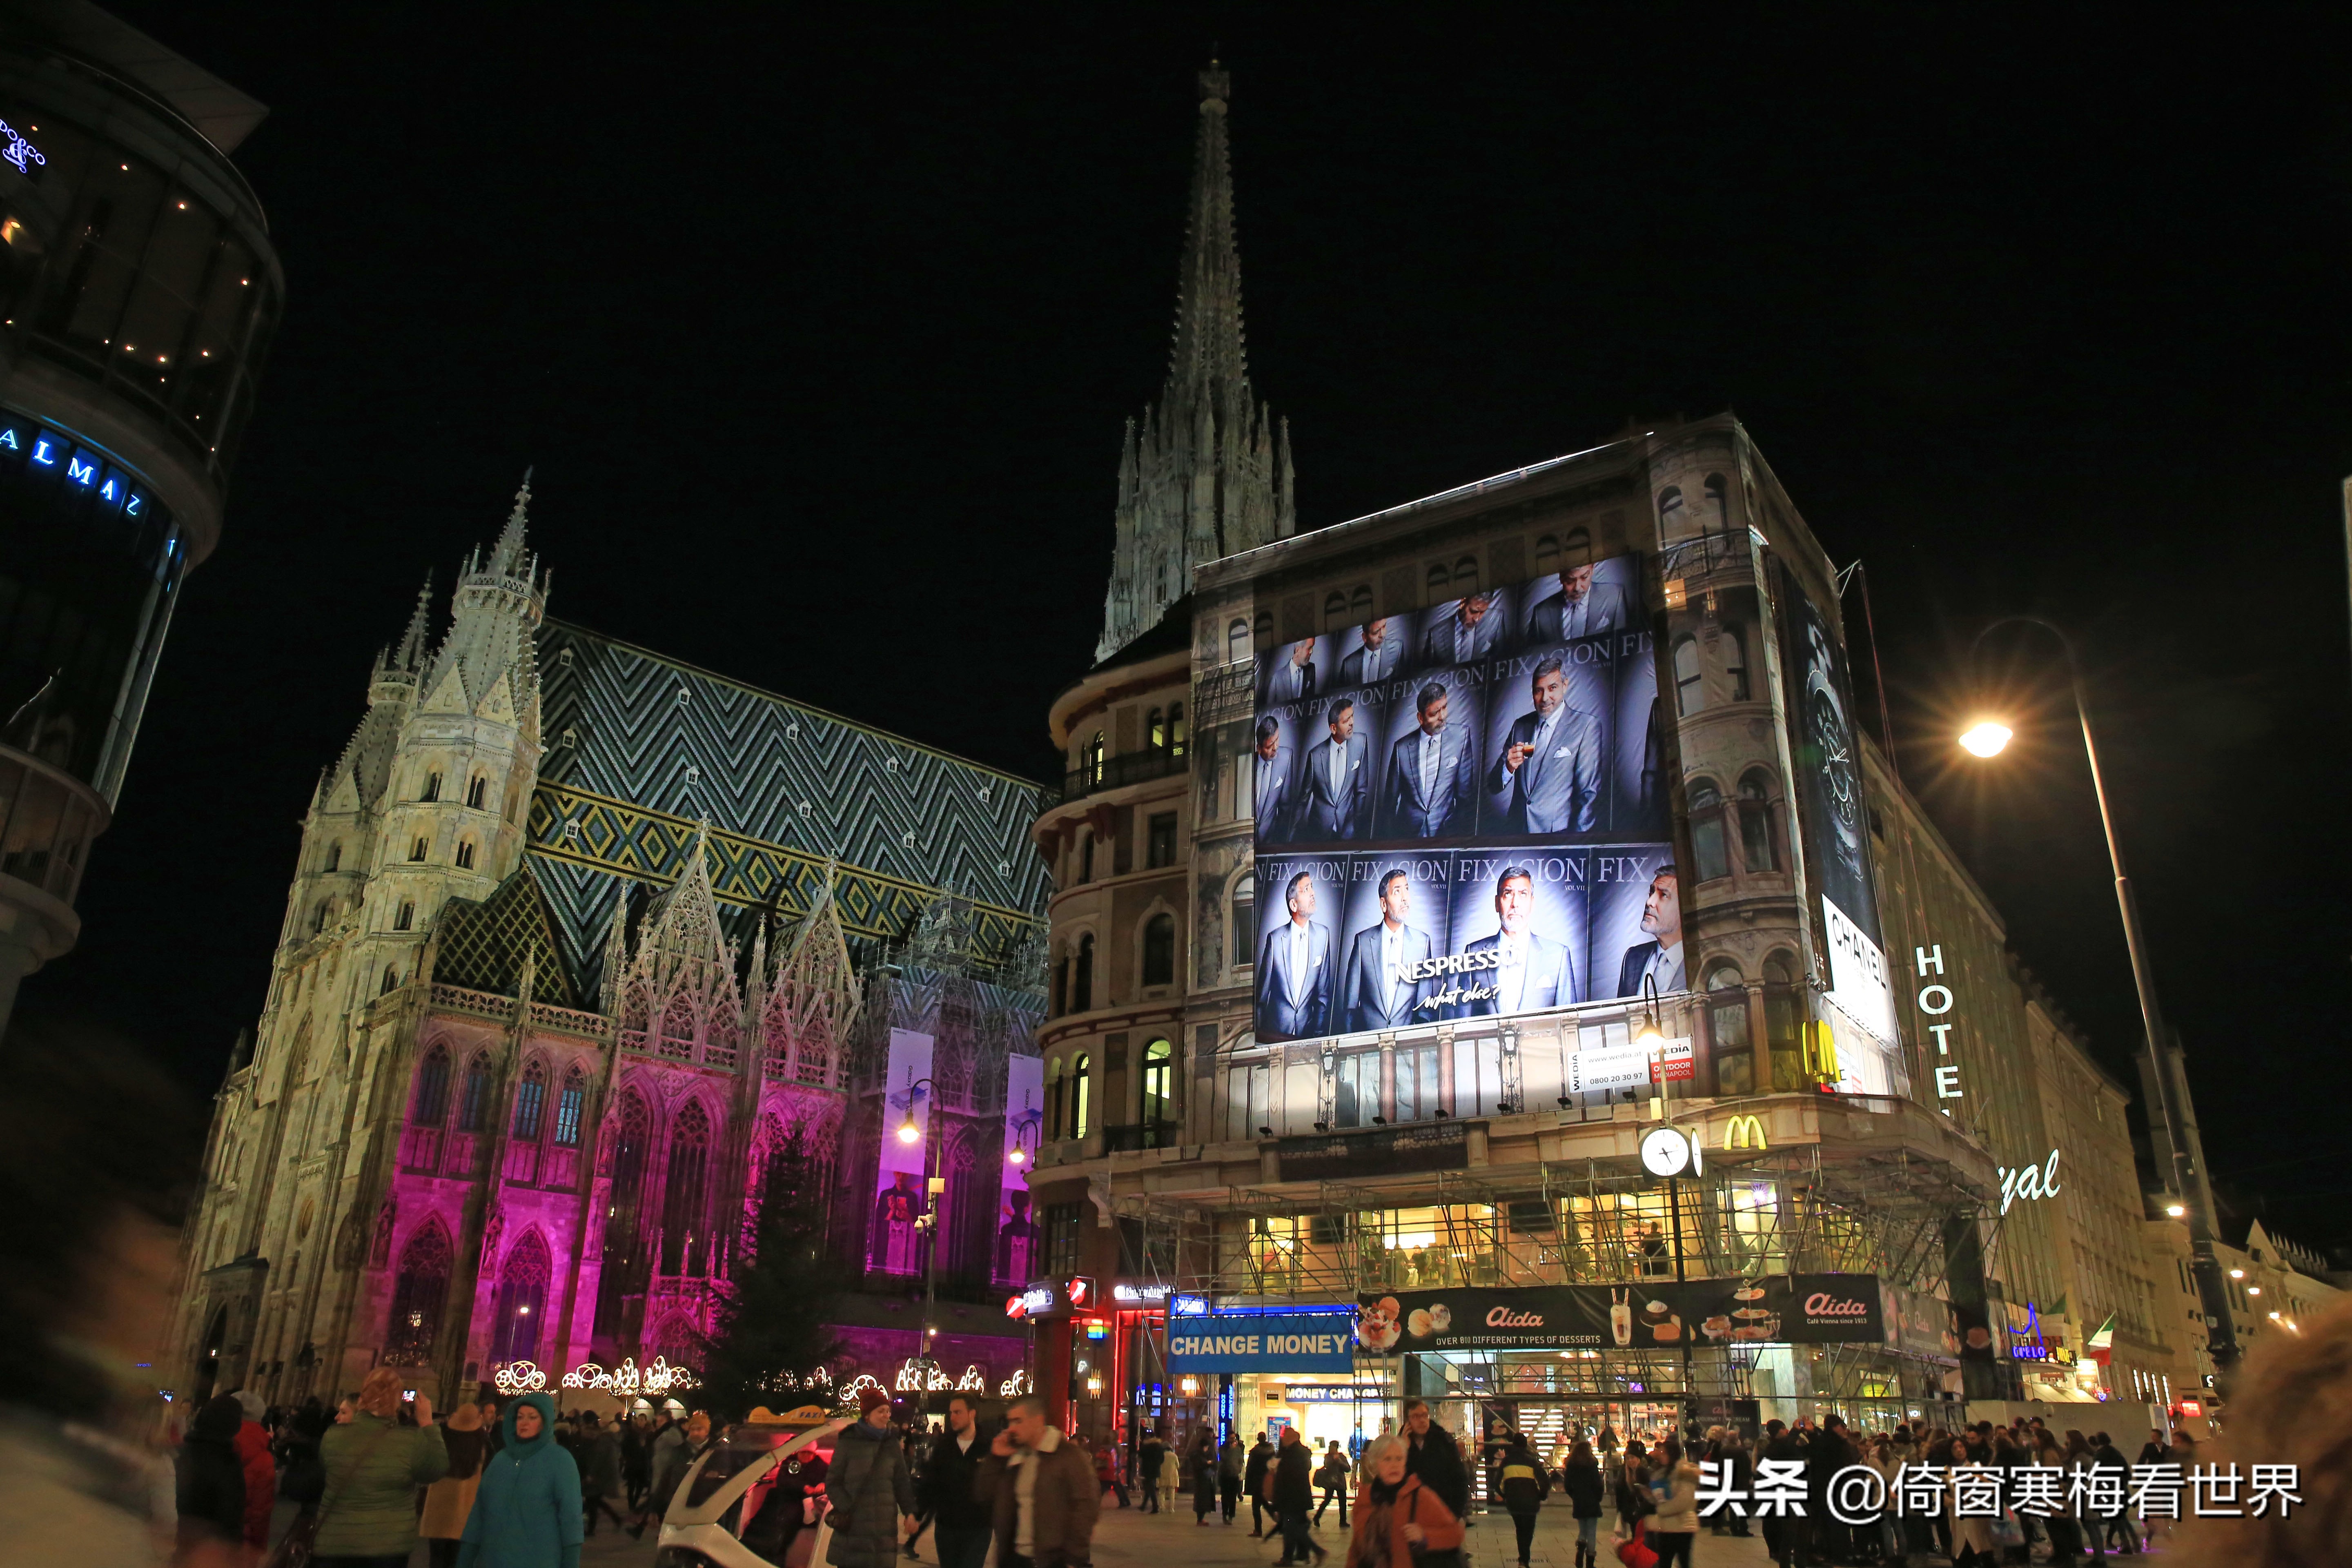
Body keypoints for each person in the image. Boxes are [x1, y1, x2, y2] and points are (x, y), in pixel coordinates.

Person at [312, 1368, 450, 1565]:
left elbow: (327, 1468)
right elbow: (437, 1469)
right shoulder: (409, 1441)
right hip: (387, 1546)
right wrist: (427, 1423)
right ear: (397, 1401)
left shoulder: (332, 1436)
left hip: (334, 1541)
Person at [455, 1391, 580, 1568]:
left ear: (544, 1421)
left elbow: (571, 1520)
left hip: (539, 1560)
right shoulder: (501, 1460)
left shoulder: (560, 1461)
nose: (524, 1423)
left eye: (532, 1417)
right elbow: (479, 1513)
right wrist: (465, 1559)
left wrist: (571, 1562)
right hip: (492, 1560)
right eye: (520, 1417)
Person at [975, 1393, 1099, 1568]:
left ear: (1038, 1421)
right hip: (1015, 1559)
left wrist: (1074, 1558)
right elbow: (985, 1496)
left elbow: (1086, 1507)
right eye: (1010, 1422)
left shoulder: (1068, 1456)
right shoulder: (1015, 1457)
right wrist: (995, 1459)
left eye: (1019, 1421)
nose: (1012, 1428)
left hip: (1052, 1561)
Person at [1484, 655, 1602, 834]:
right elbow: (1493, 786)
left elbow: (1589, 795)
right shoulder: (1520, 726)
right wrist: (1508, 768)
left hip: (1558, 839)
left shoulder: (1586, 726)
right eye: (1538, 691)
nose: (1545, 698)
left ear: (1565, 685)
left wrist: (1576, 846)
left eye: (1552, 688)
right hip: (1516, 835)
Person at [1460, 867, 1577, 1017]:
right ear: (1497, 903)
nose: (1515, 904)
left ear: (1532, 903)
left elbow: (1568, 1024)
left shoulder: (1558, 957)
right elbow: (1461, 1024)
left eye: (1523, 895)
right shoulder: (1473, 954)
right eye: (1508, 894)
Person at [829, 1388, 920, 1568]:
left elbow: (902, 1482)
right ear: (867, 1416)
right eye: (881, 1411)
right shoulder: (849, 1441)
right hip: (854, 1531)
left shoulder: (892, 1444)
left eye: (888, 1411)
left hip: (883, 1531)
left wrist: (910, 1512)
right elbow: (833, 1483)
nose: (886, 1415)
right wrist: (848, 1507)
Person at [1340, 869, 1435, 1033]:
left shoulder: (1423, 944)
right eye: (1397, 892)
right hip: (1367, 1051)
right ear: (1384, 904)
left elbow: (1424, 1010)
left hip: (1405, 1051)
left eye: (1407, 889)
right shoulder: (1363, 942)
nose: (1405, 898)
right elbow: (1351, 1008)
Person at [1346, 1434, 1462, 1568]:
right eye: (1387, 1459)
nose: (1394, 1465)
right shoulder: (1366, 1497)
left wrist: (1425, 1537)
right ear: (1375, 1463)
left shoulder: (1420, 1496)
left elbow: (1455, 1534)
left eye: (1399, 1459)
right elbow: (1356, 1549)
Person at [1381, 682, 1476, 838]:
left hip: (1446, 836)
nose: (1443, 717)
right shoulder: (1401, 748)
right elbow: (1389, 806)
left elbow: (1465, 799)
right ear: (1420, 718)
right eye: (1434, 713)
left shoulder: (1462, 737)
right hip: (1407, 838)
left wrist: (1458, 836)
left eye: (1444, 708)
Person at [1258, 871, 1333, 1039]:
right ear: (1294, 905)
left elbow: (1323, 997)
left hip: (1306, 1036)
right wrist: (1261, 1037)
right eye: (1306, 890)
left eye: (1312, 887)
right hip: (1275, 1035)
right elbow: (1261, 999)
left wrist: (1317, 1035)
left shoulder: (1323, 936)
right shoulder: (1275, 940)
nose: (1313, 893)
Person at [923, 1394, 994, 1568]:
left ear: (972, 1414)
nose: (953, 1417)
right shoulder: (944, 1447)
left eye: (958, 1412)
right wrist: (917, 1514)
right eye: (951, 1413)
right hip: (947, 1527)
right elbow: (931, 1483)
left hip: (978, 1528)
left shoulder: (987, 1446)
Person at [175, 1393, 249, 1560]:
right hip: (204, 1551)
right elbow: (231, 1517)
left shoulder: (181, 1451)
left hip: (173, 1541)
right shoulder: (228, 1464)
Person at [421, 1403, 489, 1568]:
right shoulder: (481, 1444)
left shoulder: (442, 1440)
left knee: (436, 1558)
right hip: (465, 1513)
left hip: (437, 1510)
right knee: (457, 1560)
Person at [1298, 696, 1370, 840]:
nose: (1352, 723)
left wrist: (1357, 827)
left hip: (1349, 833)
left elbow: (1361, 791)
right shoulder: (1315, 755)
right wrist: (1291, 836)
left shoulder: (1361, 743)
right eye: (1346, 721)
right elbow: (1303, 799)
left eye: (1352, 717)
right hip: (1318, 833)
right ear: (1333, 728)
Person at [1613, 867, 1686, 996]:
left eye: (1664, 895)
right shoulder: (1633, 957)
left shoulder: (1702, 960)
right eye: (1652, 892)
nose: (1650, 902)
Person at [1525, 559, 1637, 644]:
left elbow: (1624, 645)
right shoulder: (1541, 613)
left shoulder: (1615, 597)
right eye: (1570, 581)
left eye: (1584, 577)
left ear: (1592, 570)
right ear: (1561, 577)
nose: (1578, 588)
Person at [1400, 1401, 1470, 1519]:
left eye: (1425, 1415)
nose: (1422, 1420)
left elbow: (1459, 1478)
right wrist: (1403, 1450)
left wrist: (1456, 1514)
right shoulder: (1399, 1444)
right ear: (1408, 1421)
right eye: (1416, 1417)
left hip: (1442, 1512)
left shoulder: (1444, 1441)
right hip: (1411, 1516)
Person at [1271, 1426, 1327, 1565]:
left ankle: (1310, 1552)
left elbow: (1284, 1479)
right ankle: (1301, 1554)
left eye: (1285, 1438)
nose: (1282, 1440)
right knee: (1297, 1527)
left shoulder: (1289, 1454)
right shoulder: (1303, 1452)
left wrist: (1278, 1500)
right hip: (1301, 1497)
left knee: (1291, 1528)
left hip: (1291, 1499)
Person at [1496, 1430, 1550, 1568]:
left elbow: (1497, 1483)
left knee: (1520, 1530)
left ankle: (1523, 1560)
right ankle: (1524, 1560)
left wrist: (1506, 1496)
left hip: (1514, 1504)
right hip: (1531, 1503)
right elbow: (1544, 1482)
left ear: (1513, 1445)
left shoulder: (1506, 1462)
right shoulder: (1532, 1462)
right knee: (1528, 1531)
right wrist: (1541, 1496)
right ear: (1526, 1445)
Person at [1646, 1437, 1699, 1568]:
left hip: (1683, 1525)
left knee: (1683, 1562)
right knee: (1664, 1562)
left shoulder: (1685, 1472)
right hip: (1665, 1526)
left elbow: (1684, 1501)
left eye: (1664, 1453)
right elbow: (1661, 1498)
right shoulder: (1661, 1473)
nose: (1660, 1456)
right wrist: (1650, 1495)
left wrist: (1662, 1510)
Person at [1421, 591, 1501, 667]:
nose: (1477, 619)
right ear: (1462, 603)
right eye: (1473, 612)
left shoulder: (1496, 621)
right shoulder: (1435, 634)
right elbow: (1426, 674)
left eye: (1483, 612)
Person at [1560, 1438, 1604, 1568]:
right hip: (1592, 1501)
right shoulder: (1592, 1465)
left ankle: (1580, 1551)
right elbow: (1598, 1484)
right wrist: (1598, 1497)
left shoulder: (1571, 1466)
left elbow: (1568, 1485)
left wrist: (1574, 1496)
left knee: (1583, 1529)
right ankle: (1590, 1562)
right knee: (1592, 1531)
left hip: (1579, 1501)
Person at [1254, 718, 1295, 839]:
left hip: (1271, 842)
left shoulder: (1287, 759)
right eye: (1270, 745)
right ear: (1259, 748)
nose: (1276, 747)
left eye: (1277, 740)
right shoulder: (1249, 762)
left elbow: (1285, 810)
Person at [1341, 618, 1402, 686]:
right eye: (1377, 632)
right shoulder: (1348, 665)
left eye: (1384, 626)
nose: (1383, 635)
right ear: (1365, 637)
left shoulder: (1398, 649)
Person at [1314, 1440, 1352, 1528]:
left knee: (1343, 1502)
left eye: (1333, 1447)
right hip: (1330, 1482)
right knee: (1327, 1500)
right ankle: (1317, 1517)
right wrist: (1333, 1460)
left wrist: (1339, 1461)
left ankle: (1343, 1521)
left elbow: (1348, 1469)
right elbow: (1327, 1465)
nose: (1331, 1449)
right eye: (1330, 1447)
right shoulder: (1328, 1457)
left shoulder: (1342, 1457)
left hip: (1340, 1482)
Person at [1269, 639, 1318, 705]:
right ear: (1298, 651)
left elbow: (1312, 700)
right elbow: (1269, 709)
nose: (1311, 652)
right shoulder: (1277, 678)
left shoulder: (1311, 669)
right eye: (1309, 648)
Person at [1246, 1432, 1276, 1536]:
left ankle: (1258, 1530)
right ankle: (1276, 1517)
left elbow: (1250, 1468)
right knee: (1264, 1502)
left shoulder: (1255, 1452)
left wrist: (1248, 1485)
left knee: (1256, 1507)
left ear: (1258, 1439)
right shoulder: (1272, 1452)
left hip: (1257, 1482)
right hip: (1268, 1481)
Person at [1189, 1428, 1219, 1524]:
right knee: (1202, 1500)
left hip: (1204, 1480)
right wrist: (1208, 1463)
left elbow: (1213, 1463)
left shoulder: (1200, 1454)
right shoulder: (1198, 1454)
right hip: (1202, 1480)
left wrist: (1209, 1463)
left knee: (1203, 1499)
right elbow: (1201, 1464)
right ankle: (1200, 1519)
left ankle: (1201, 1519)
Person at [1135, 1427, 1167, 1515]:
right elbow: (1162, 1459)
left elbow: (1140, 1455)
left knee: (1150, 1488)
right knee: (1149, 1487)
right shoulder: (1159, 1446)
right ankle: (1144, 1506)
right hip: (1155, 1469)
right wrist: (1157, 1465)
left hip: (1147, 1470)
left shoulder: (1146, 1446)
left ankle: (1155, 1507)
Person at [1093, 1434, 1129, 1508]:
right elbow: (1115, 1460)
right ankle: (1124, 1501)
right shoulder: (1113, 1450)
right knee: (1117, 1488)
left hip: (1103, 1472)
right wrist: (1116, 1469)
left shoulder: (1101, 1450)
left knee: (1102, 1489)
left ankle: (1096, 1503)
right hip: (1112, 1471)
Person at [1219, 1430, 1245, 1523]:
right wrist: (1231, 1449)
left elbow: (1240, 1459)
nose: (1233, 1440)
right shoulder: (1223, 1448)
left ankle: (1231, 1516)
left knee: (1233, 1496)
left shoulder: (1238, 1448)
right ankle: (1225, 1514)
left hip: (1234, 1476)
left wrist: (1239, 1469)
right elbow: (1224, 1458)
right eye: (1231, 1438)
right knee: (1225, 1497)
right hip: (1225, 1475)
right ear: (1227, 1439)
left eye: (1234, 1438)